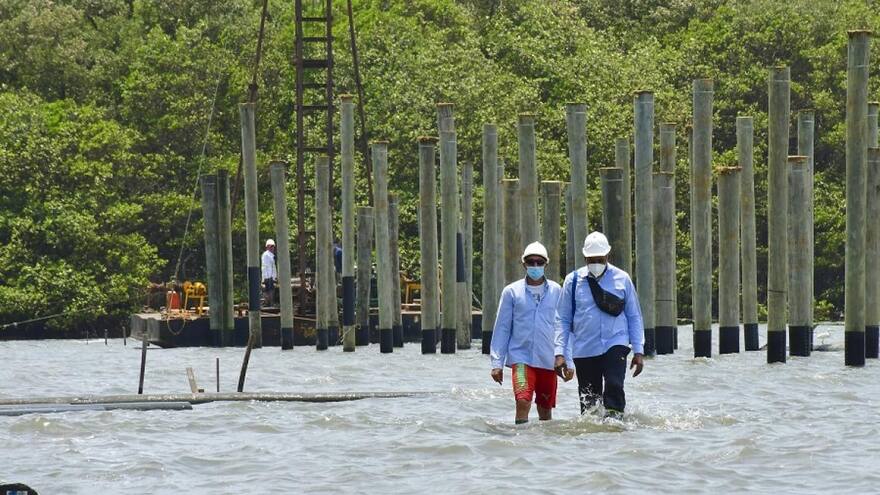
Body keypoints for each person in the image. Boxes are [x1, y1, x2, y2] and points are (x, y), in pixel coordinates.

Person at [554, 231, 645, 417]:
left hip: (616, 343)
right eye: (591, 259)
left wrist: (638, 350)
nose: (596, 263)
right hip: (585, 348)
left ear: (607, 255)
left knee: (614, 385)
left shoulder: (622, 278)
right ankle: (595, 433)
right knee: (590, 404)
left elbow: (634, 315)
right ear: (584, 258)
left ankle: (615, 426)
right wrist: (559, 353)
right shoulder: (572, 281)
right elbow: (562, 319)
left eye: (600, 259)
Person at [490, 241, 572, 424]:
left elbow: (563, 327)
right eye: (531, 262)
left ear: (546, 264)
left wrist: (567, 359)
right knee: (522, 401)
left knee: (545, 410)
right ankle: (521, 439)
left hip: (548, 361)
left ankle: (541, 442)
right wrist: (497, 363)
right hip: (521, 358)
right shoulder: (511, 292)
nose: (535, 265)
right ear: (524, 264)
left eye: (539, 262)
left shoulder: (557, 291)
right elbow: (502, 328)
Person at [262, 239, 277, 306]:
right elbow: (266, 267)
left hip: (270, 276)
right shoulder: (266, 255)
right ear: (267, 247)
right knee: (269, 290)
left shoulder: (271, 255)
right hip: (268, 276)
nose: (272, 248)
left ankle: (269, 303)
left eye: (273, 246)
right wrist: (268, 277)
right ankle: (269, 303)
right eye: (271, 246)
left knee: (270, 290)